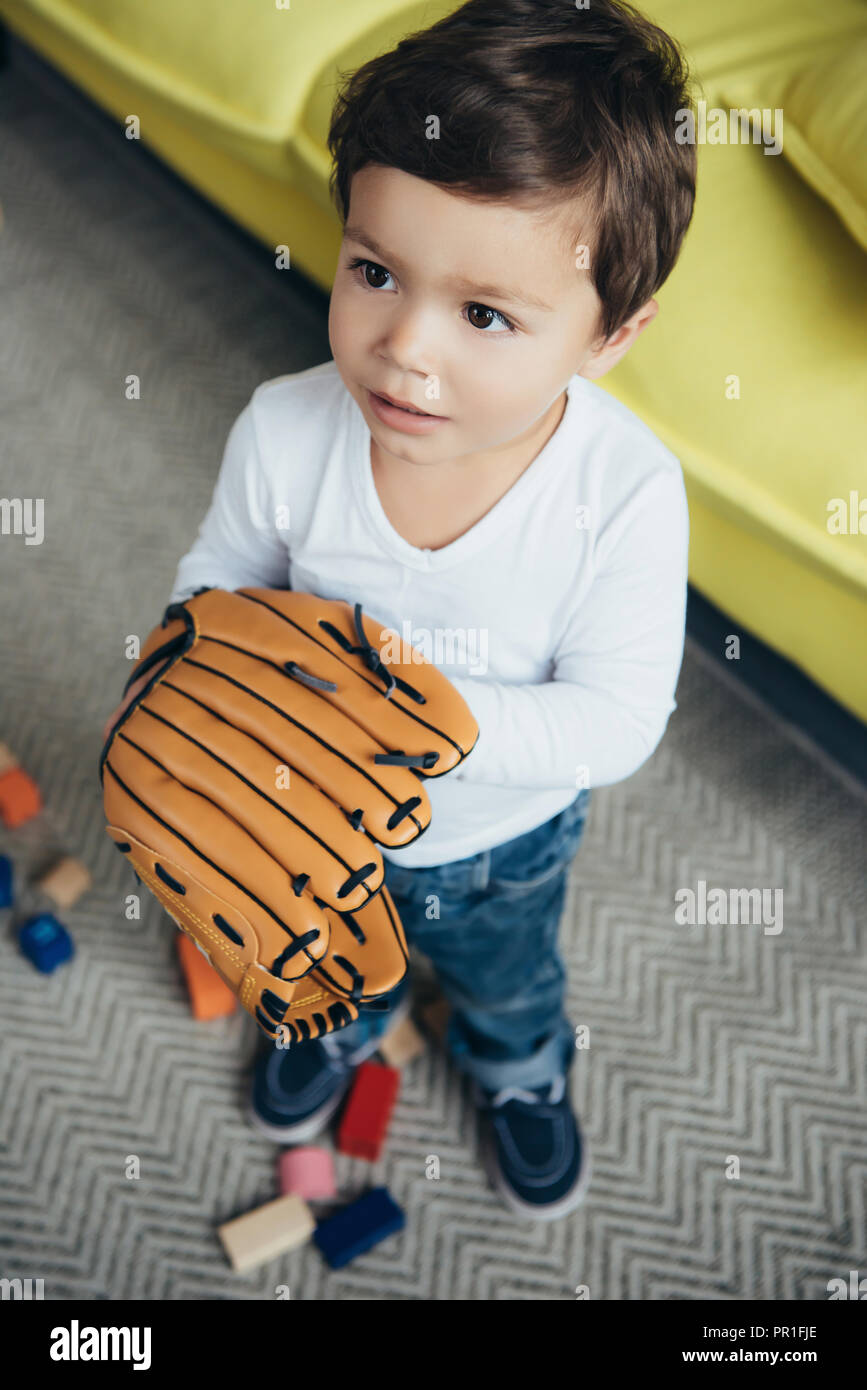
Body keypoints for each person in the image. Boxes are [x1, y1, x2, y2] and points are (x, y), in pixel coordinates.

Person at [105, 0, 695, 1220]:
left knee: (508, 979)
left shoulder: (624, 492)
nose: (403, 348)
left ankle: (523, 1069)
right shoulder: (286, 424)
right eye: (375, 271)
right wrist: (188, 668)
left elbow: (621, 714)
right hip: (311, 820)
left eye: (485, 314)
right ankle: (334, 1029)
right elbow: (219, 574)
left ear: (610, 337)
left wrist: (442, 719)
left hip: (502, 842)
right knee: (321, 957)